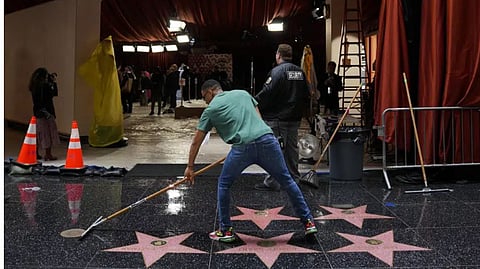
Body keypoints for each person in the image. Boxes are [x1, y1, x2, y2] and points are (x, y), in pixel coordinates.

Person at [184, 79, 317, 243]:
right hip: (268, 141)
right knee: (288, 181)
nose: (206, 102)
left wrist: (190, 167)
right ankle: (308, 222)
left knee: (224, 184)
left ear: (210, 92)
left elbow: (196, 141)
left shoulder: (210, 110)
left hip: (242, 148)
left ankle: (225, 230)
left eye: (205, 98)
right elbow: (258, 119)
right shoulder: (243, 93)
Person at [254, 44, 310, 191]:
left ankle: (273, 181)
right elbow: (307, 94)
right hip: (294, 118)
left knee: (274, 150)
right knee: (292, 149)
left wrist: (254, 103)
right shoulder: (300, 72)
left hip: (277, 118)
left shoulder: (277, 72)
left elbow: (267, 92)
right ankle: (293, 179)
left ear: (278, 55)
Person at [29, 67, 60, 161]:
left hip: (38, 112)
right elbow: (54, 93)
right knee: (48, 133)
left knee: (39, 133)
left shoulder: (33, 86)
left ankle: (35, 153)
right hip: (47, 112)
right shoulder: (44, 87)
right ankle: (48, 154)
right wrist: (53, 82)